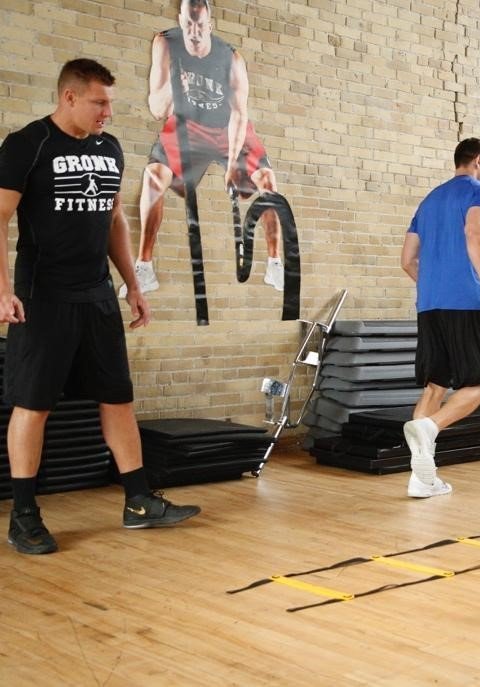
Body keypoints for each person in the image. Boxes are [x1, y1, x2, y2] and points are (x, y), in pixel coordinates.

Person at [0, 58, 201, 555]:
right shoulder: (28, 145)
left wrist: (132, 284)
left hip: (96, 295)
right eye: (99, 102)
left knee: (117, 397)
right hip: (42, 297)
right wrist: (2, 289)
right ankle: (23, 514)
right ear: (69, 97)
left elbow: (114, 220)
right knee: (34, 404)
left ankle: (138, 501)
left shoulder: (108, 149)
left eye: (109, 102)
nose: (107, 111)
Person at [122, 0, 284, 295]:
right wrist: (177, 74)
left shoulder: (231, 58)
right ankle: (144, 268)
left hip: (228, 127)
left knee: (268, 181)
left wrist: (233, 166)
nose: (194, 32)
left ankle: (274, 262)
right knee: (153, 176)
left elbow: (239, 114)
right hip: (188, 125)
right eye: (188, 24)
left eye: (200, 26)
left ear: (210, 25)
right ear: (180, 20)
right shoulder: (166, 44)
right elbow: (158, 110)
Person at [400, 138, 480, 498]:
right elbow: (475, 232)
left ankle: (422, 479)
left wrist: (433, 284)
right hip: (467, 302)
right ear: (477, 161)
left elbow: (407, 259)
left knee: (435, 385)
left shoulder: (429, 201)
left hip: (429, 304)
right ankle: (430, 427)